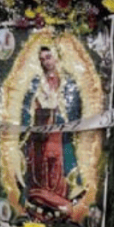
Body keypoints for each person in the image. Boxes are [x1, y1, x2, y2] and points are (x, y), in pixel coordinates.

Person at [21, 46, 81, 215]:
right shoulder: (36, 81)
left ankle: (58, 200)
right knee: (39, 162)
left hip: (58, 128)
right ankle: (41, 199)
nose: (46, 62)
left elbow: (73, 108)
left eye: (48, 57)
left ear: (56, 57)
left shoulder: (67, 81)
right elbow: (28, 105)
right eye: (42, 59)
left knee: (55, 161)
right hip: (40, 126)